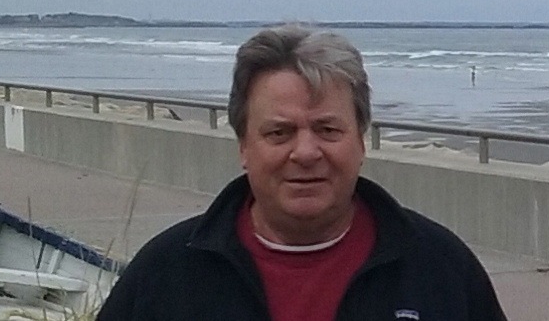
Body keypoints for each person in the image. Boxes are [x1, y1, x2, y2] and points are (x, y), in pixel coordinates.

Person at [97, 25, 507, 321]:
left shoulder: (440, 269)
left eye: (328, 129)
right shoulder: (166, 273)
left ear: (361, 141)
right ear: (243, 146)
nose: (306, 152)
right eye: (280, 132)